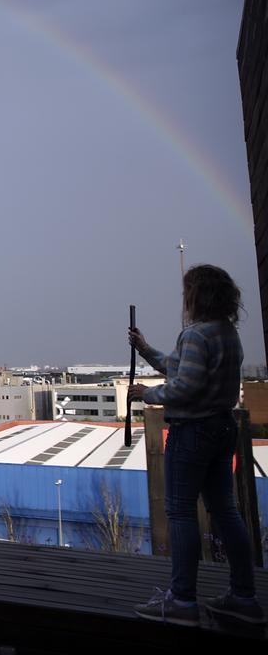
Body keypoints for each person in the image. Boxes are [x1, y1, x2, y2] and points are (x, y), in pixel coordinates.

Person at [128, 264, 263, 627]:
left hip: (192, 432)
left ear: (196, 296)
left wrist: (147, 394)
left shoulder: (195, 335)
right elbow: (179, 367)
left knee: (180, 512)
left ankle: (182, 600)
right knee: (225, 510)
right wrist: (145, 350)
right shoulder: (227, 334)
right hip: (222, 429)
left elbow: (184, 386)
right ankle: (243, 596)